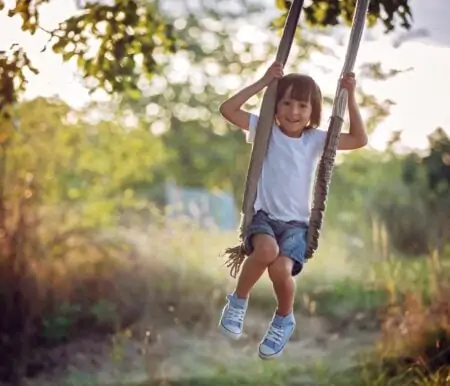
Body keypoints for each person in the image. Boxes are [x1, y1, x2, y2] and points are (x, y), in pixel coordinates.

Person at [217, 61, 368, 360]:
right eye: (286, 102)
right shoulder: (264, 130)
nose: (293, 111)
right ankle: (237, 302)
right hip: (264, 218)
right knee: (265, 252)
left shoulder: (315, 140)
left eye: (302, 105)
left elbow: (359, 139)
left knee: (280, 269)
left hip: (297, 225)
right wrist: (263, 83)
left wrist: (350, 96)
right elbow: (228, 110)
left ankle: (284, 319)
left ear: (313, 112)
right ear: (276, 104)